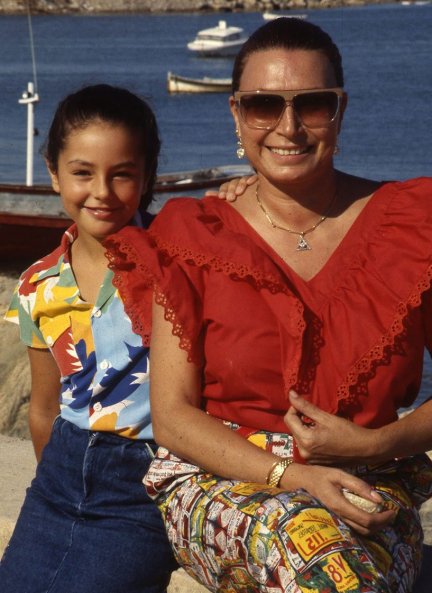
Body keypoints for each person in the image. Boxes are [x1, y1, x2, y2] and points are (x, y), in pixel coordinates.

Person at [105, 18, 432, 593]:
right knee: (320, 565)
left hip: (373, 478)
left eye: (311, 104)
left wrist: (375, 443)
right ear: (236, 113)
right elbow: (175, 416)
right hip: (224, 479)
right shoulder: (194, 235)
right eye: (263, 106)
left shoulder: (412, 225)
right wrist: (292, 476)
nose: (288, 127)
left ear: (340, 110)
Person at [0, 84, 179, 593]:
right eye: (82, 172)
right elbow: (44, 406)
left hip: (146, 479)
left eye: (122, 174)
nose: (101, 191)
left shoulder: (179, 261)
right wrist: (59, 475)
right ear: (54, 171)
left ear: (147, 178)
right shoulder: (38, 284)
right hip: (59, 478)